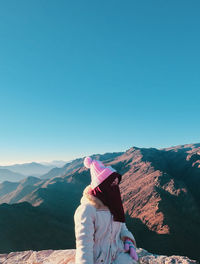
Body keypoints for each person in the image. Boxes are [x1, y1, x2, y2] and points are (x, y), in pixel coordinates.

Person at [74, 156, 139, 264]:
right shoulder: (87, 210)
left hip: (117, 255)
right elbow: (84, 245)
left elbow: (122, 227)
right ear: (101, 187)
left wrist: (128, 239)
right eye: (112, 184)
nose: (116, 188)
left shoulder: (113, 204)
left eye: (116, 184)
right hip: (99, 260)